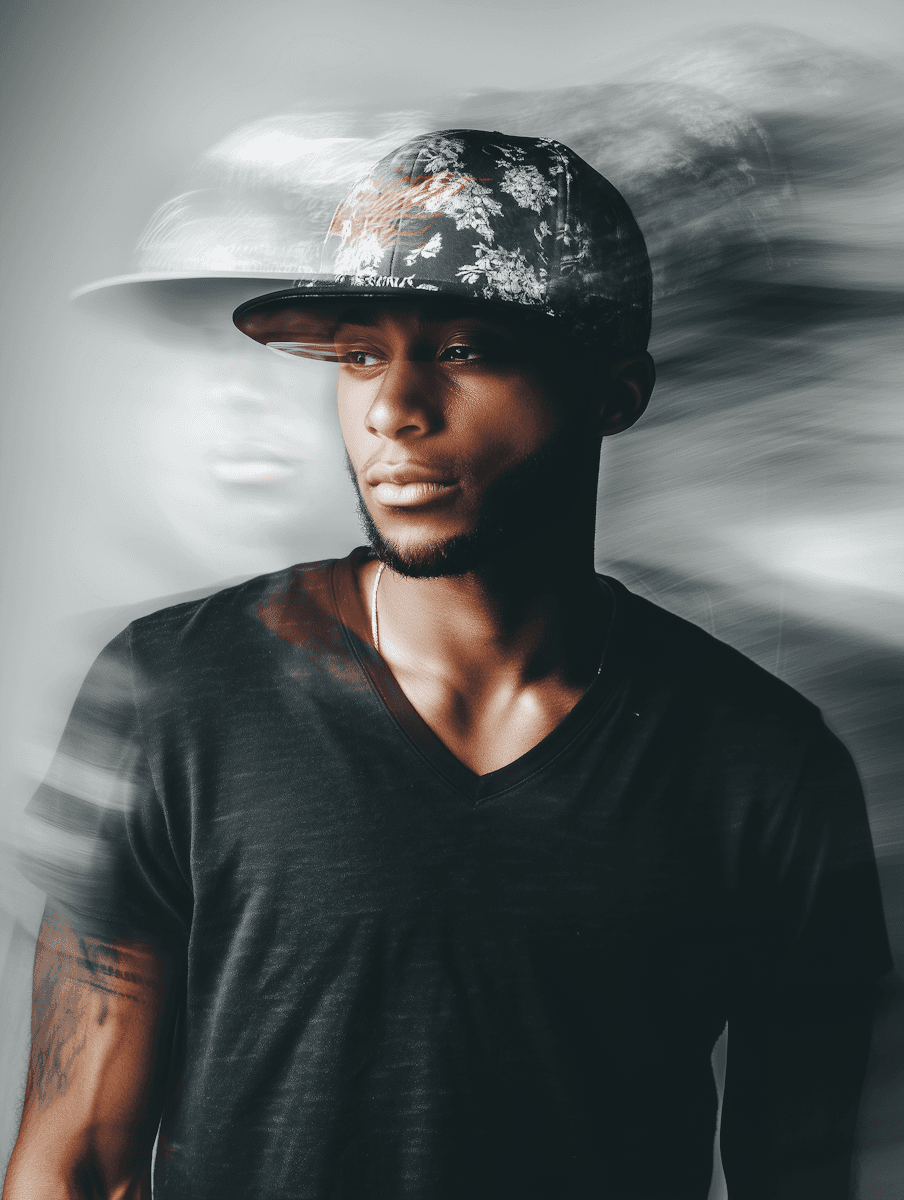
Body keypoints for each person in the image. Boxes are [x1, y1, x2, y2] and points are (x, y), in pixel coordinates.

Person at [5, 129, 891, 1200]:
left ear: (616, 392)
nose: (392, 410)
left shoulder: (763, 766)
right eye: (360, 355)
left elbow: (802, 1180)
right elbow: (75, 1163)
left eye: (466, 348)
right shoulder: (170, 694)